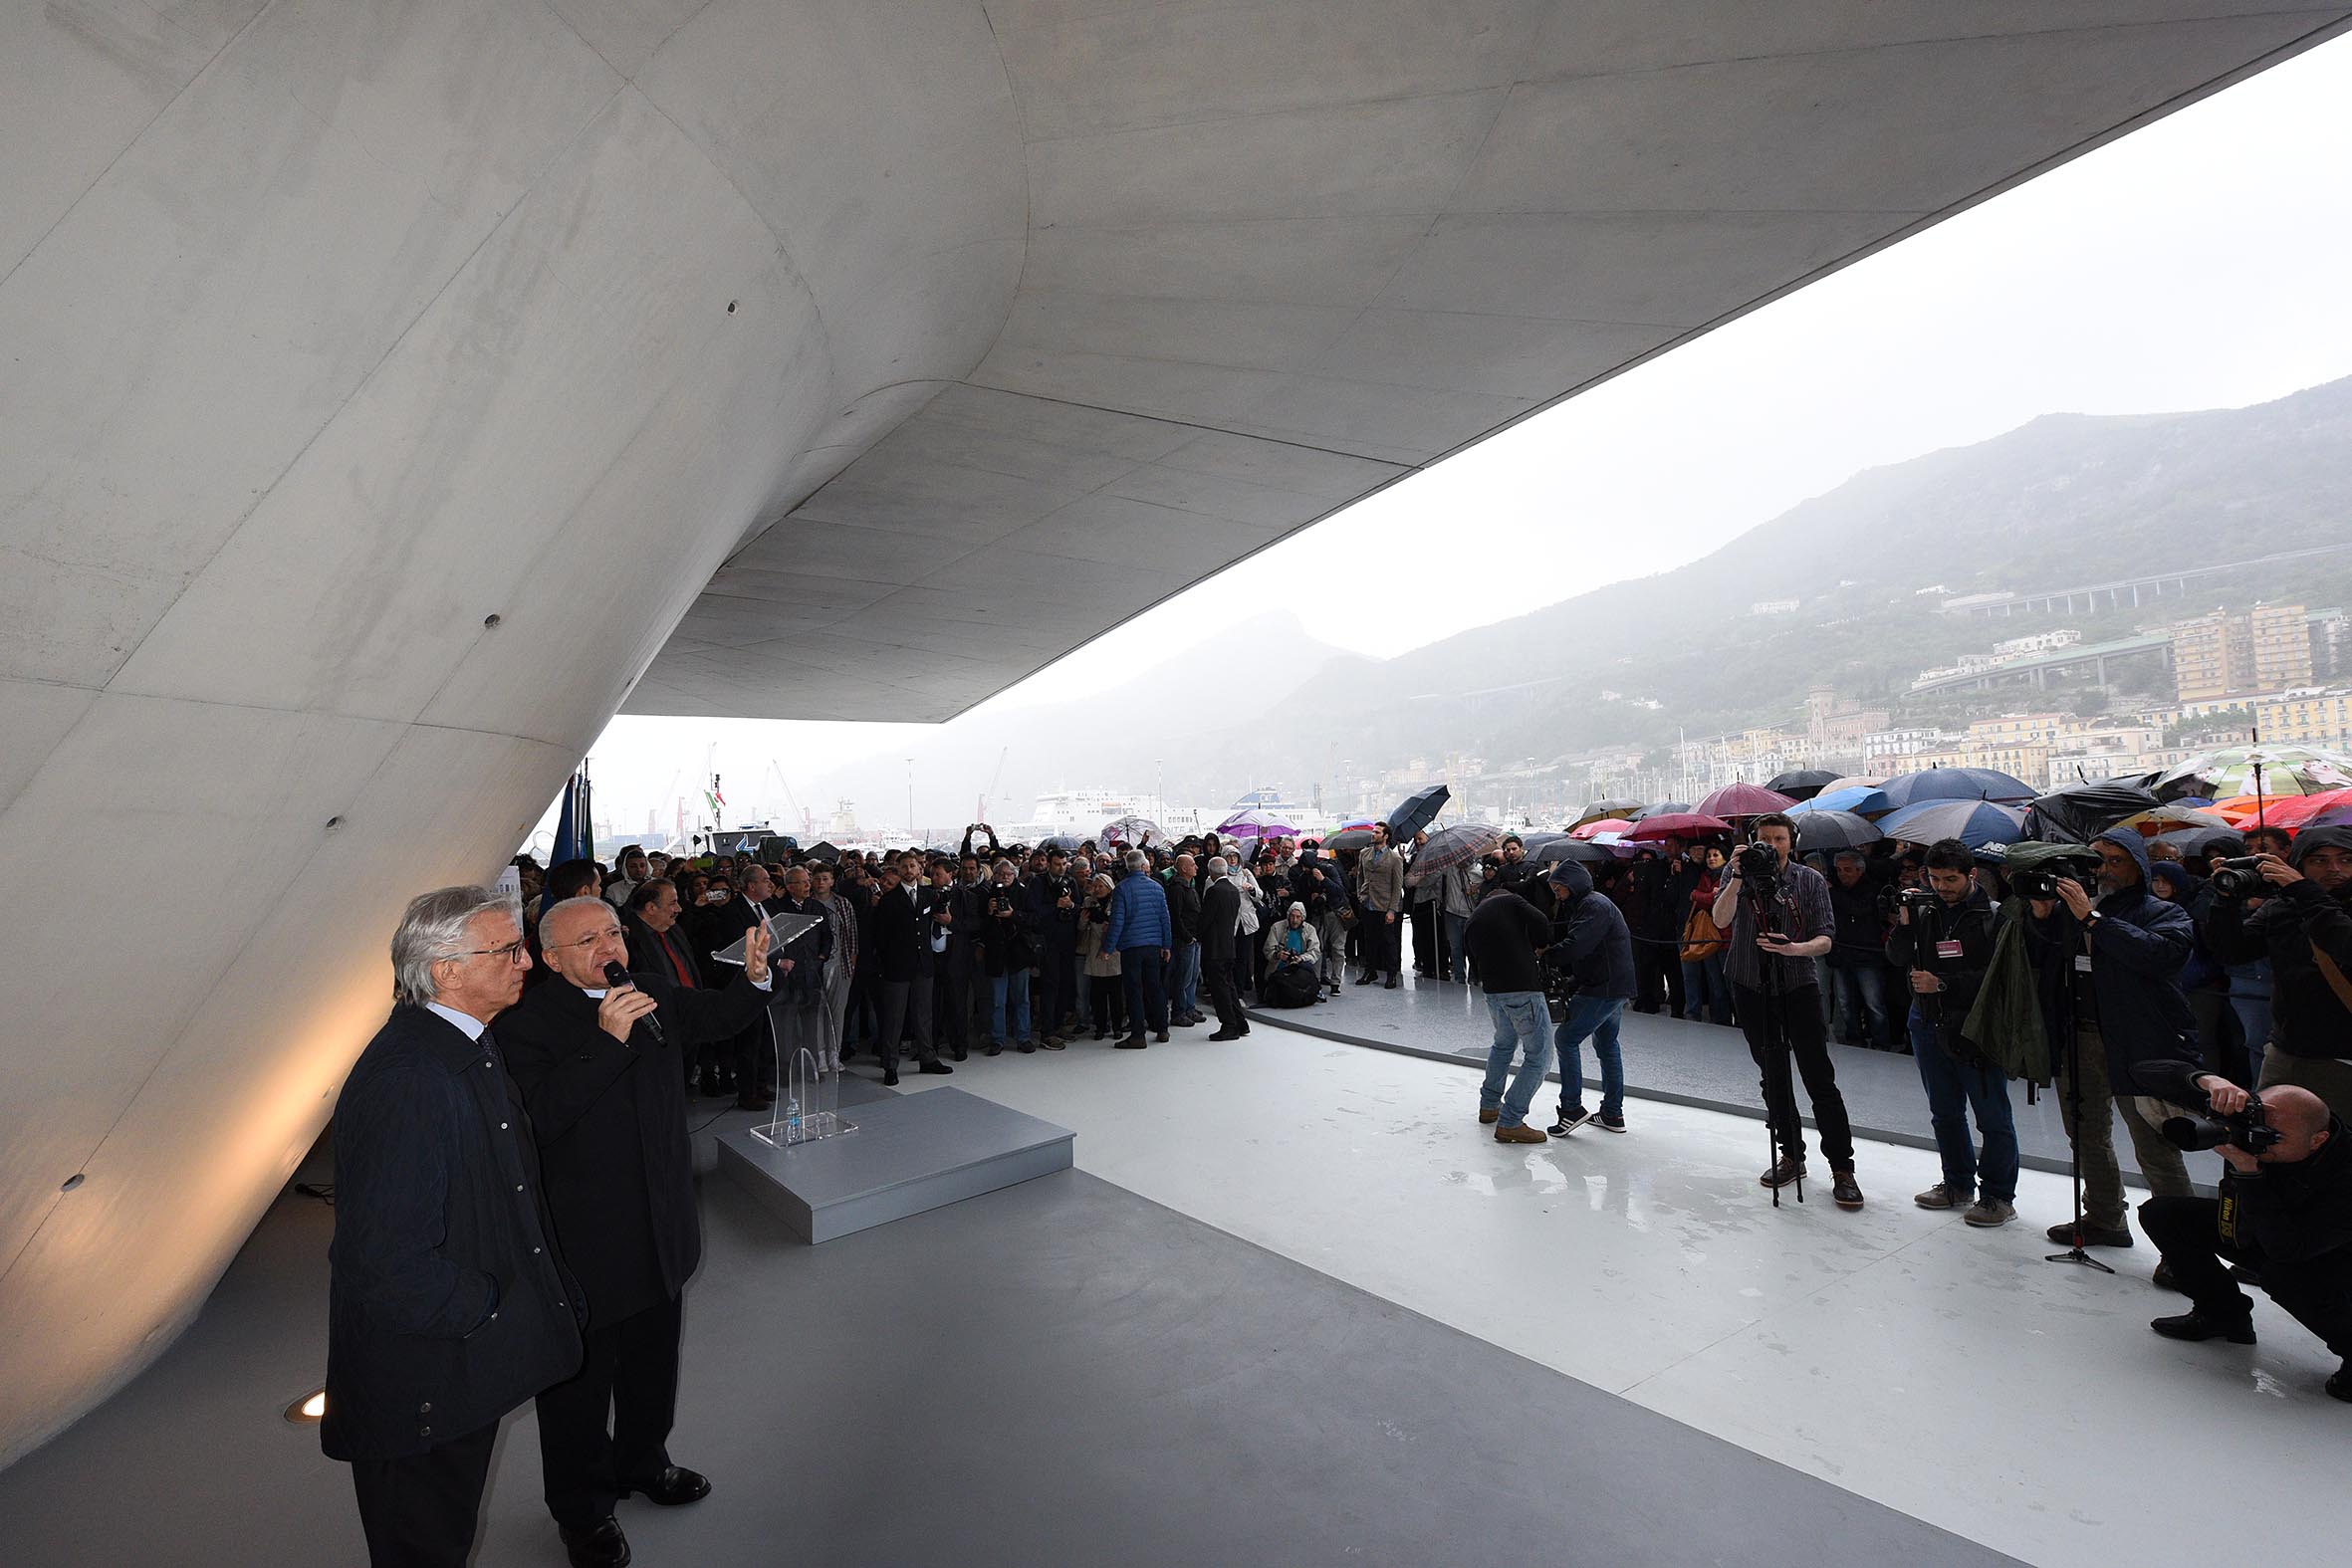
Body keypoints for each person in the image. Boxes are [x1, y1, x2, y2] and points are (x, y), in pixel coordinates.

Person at [495, 899, 775, 1568]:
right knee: (578, 1393)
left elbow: (714, 1016)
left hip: (661, 1225)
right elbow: (537, 1118)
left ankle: (644, 1461)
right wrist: (606, 1040)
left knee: (653, 1366)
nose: (606, 944)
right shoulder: (523, 1027)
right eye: (585, 939)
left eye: (613, 931)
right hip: (585, 1243)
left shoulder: (646, 994)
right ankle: (583, 1511)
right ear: (553, 958)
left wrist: (754, 979)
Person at [325, 887, 584, 1568]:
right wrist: (487, 1308)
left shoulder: (461, 1045)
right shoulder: (411, 1077)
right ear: (446, 970)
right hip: (423, 1381)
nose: (525, 962)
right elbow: (382, 1261)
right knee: (423, 1546)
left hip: (451, 1366)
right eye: (507, 950)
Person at [2019, 827, 2199, 1249]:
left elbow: (2161, 956)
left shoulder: (2161, 911)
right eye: (2097, 860)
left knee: (2154, 1145)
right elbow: (2040, 961)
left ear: (2139, 865)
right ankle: (2104, 1217)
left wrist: (2092, 919)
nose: (2105, 870)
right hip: (2078, 1034)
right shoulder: (2073, 908)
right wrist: (2042, 917)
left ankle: (2184, 1248)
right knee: (2086, 1135)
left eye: (2117, 861)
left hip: (2140, 1043)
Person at [2135, 1062, 2350, 1402]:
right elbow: (2144, 1070)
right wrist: (2208, 1081)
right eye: (2256, 1129)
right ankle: (2223, 1315)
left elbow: (2287, 1249)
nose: (2257, 1143)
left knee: (2281, 1275)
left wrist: (2250, 1174)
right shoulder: (2253, 1126)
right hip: (2265, 1228)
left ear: (2317, 1140)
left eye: (2272, 1139)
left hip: (2326, 1258)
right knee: (2164, 1215)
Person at [1713, 813, 1863, 1209]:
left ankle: (1842, 1167)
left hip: (1798, 984)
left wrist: (1794, 949)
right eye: (1765, 838)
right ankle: (1791, 1154)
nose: (1772, 845)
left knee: (1819, 1078)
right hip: (1748, 983)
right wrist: (1737, 876)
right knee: (1773, 1076)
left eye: (1779, 838)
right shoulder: (1737, 875)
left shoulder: (1809, 880)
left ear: (1791, 842)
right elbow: (1720, 919)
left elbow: (1826, 939)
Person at [1886, 839, 2016, 1228]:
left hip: (1976, 1029)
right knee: (1944, 1112)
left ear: (1971, 875)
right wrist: (1905, 923)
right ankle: (1958, 1184)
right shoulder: (1924, 912)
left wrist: (1943, 983)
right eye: (1935, 878)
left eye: (1950, 879)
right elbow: (1895, 957)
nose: (1942, 886)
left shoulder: (1994, 916)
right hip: (1927, 1022)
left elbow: (2000, 979)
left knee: (1992, 1117)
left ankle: (1998, 1196)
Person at [2207, 824, 2352, 1120]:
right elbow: (2232, 952)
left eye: (2346, 860)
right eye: (2319, 860)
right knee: (2273, 1137)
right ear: (2300, 864)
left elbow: (2344, 943)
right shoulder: (2283, 907)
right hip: (2287, 1050)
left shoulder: (2305, 898)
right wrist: (2225, 898)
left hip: (2344, 1056)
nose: (2335, 869)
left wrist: (2304, 890)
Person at [1540, 861, 1635, 1136]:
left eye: (1558, 889)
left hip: (1604, 987)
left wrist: (1547, 955)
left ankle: (1571, 1109)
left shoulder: (1593, 906)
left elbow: (1578, 946)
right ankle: (1612, 1113)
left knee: (1566, 1039)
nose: (1556, 894)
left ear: (1571, 885)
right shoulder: (1591, 904)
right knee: (1607, 1044)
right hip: (1613, 984)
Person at [1463, 878, 1555, 1144]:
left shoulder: (1472, 919)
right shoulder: (1511, 900)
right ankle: (1511, 1120)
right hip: (1523, 989)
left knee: (1503, 1044)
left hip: (1493, 993)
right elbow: (1540, 919)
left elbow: (1473, 962)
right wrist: (1539, 944)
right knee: (1540, 1055)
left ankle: (1490, 1105)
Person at [870, 860, 952, 1082]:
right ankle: (890, 1064)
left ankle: (928, 1058)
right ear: (900, 870)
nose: (909, 871)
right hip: (897, 967)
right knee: (894, 1018)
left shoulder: (927, 896)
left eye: (913, 866)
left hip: (923, 965)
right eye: (904, 867)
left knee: (924, 1015)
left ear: (919, 870)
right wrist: (888, 962)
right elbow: (880, 936)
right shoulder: (888, 900)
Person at [621, 879, 703, 1089]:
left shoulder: (674, 930)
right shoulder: (626, 939)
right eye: (673, 903)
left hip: (689, 1017)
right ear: (651, 908)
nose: (679, 909)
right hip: (657, 1029)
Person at [1102, 848, 1174, 1047]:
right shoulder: (1157, 888)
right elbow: (1164, 919)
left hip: (1131, 947)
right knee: (1155, 988)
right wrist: (1166, 945)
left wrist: (1108, 948)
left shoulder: (1121, 889)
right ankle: (1162, 1029)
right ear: (1144, 866)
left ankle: (1138, 1035)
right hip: (1153, 946)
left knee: (1133, 990)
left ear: (1127, 866)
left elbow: (1117, 922)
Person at [1825, 851, 1892, 1048]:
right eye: (1839, 870)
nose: (1842, 874)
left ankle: (1881, 1043)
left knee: (1874, 1003)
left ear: (1860, 870)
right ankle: (1854, 1039)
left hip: (1867, 953)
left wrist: (1833, 893)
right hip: (1841, 952)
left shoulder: (1871, 889)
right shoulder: (1835, 888)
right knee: (1845, 1002)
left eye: (1848, 870)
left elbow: (1858, 908)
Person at [981, 858, 1038, 1054]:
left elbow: (1034, 920)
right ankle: (998, 1039)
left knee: (1022, 999)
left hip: (1018, 953)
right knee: (997, 1001)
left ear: (1014, 875)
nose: (1004, 877)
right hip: (996, 955)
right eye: (1000, 874)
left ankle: (1023, 1037)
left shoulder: (1023, 893)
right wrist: (989, 912)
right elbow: (980, 928)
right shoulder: (987, 895)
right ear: (993, 876)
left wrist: (1013, 915)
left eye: (1008, 874)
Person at [1027, 848, 1082, 1045]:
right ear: (1049, 864)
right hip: (1047, 941)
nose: (1061, 868)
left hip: (1067, 940)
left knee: (1066, 984)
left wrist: (1070, 906)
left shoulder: (1071, 882)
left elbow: (1079, 908)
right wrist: (1056, 906)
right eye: (1057, 864)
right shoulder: (1038, 882)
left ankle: (1059, 1026)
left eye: (1064, 864)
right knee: (1050, 985)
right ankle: (1047, 1031)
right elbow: (1033, 912)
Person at [1680, 844, 1735, 1026]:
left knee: (1730, 984)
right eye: (1709, 855)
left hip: (1726, 937)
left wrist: (1699, 895)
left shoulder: (1731, 876)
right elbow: (1703, 899)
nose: (1711, 858)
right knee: (1715, 983)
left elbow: (1716, 900)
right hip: (1708, 936)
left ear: (1725, 857)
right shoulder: (1704, 876)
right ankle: (1721, 1020)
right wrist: (1703, 895)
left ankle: (1740, 1020)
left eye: (1716, 855)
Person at [1199, 857, 1251, 1040]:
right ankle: (1240, 1022)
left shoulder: (1214, 891)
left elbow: (1206, 919)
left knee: (1220, 988)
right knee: (1229, 986)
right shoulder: (1232, 890)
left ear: (1211, 872)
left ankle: (1229, 1025)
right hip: (1229, 944)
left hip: (1215, 947)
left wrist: (1196, 935)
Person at [1354, 821, 1406, 988]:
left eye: (1377, 832)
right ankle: (1370, 971)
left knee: (1388, 941)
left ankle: (1392, 974)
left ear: (1385, 836)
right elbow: (1360, 877)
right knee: (1369, 940)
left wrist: (1392, 909)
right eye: (1373, 832)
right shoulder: (1364, 853)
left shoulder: (1395, 858)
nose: (1373, 834)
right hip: (1368, 903)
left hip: (1384, 905)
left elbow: (1397, 886)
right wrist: (1361, 895)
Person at [1078, 872, 1126, 1039]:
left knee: (1115, 994)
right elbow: (1081, 927)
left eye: (1101, 886)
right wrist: (1084, 920)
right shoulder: (1088, 902)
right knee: (1097, 994)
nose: (1098, 889)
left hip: (1114, 951)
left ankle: (1117, 1026)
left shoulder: (1118, 901)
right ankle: (1100, 1026)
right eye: (1096, 886)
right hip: (1095, 950)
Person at [1166, 852, 1205, 1026]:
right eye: (1192, 865)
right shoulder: (1176, 888)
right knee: (1183, 977)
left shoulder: (1189, 886)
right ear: (1183, 868)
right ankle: (1179, 1011)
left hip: (1194, 938)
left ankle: (1189, 1007)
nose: (1196, 867)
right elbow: (1176, 917)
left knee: (1193, 975)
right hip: (1185, 939)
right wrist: (1187, 937)